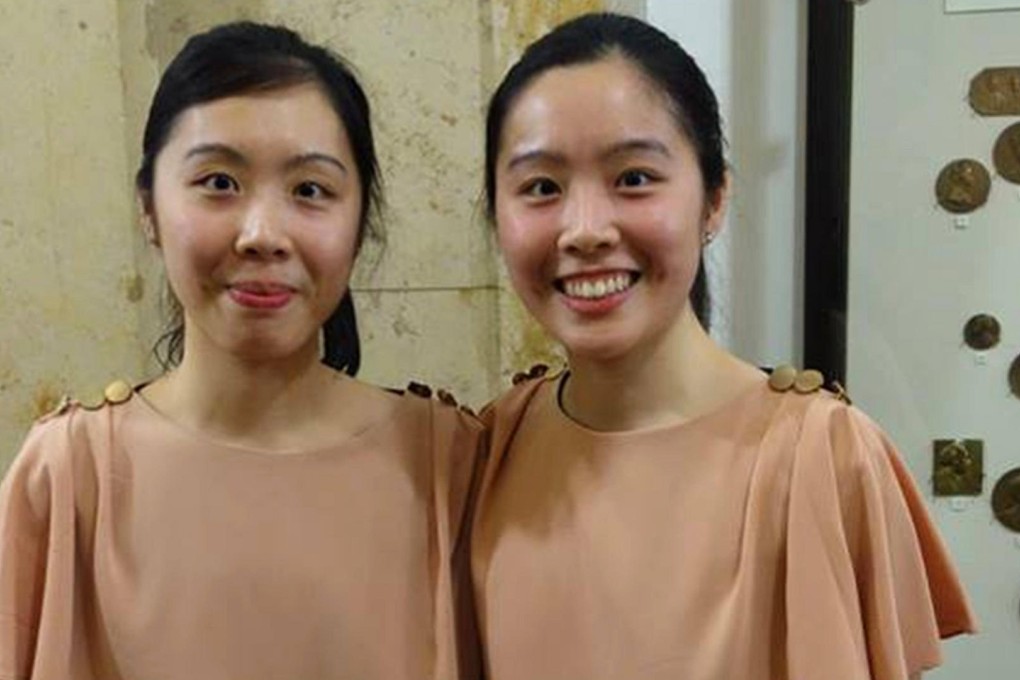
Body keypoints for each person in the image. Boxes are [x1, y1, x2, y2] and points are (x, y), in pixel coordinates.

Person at [471, 12, 976, 680]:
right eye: (541, 187)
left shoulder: (822, 457)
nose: (585, 229)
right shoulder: (489, 450)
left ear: (713, 200)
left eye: (634, 178)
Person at [0, 22, 482, 680]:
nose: (262, 235)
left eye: (310, 190)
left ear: (360, 220)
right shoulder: (68, 477)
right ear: (148, 208)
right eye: (219, 183)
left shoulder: (452, 465)